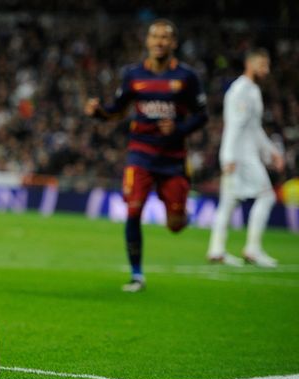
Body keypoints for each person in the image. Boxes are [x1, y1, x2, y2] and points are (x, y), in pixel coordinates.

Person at [84, 19, 208, 292]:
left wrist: (179, 129)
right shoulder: (134, 74)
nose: (159, 42)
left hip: (173, 158)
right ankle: (137, 274)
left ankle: (180, 210)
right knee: (133, 210)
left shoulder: (186, 77)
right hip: (140, 153)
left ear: (173, 43)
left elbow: (202, 115)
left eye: (165, 37)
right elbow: (117, 109)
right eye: (155, 36)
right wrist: (99, 112)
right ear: (148, 41)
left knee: (175, 225)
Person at [206, 49, 285, 267]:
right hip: (240, 157)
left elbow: (254, 128)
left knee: (228, 202)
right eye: (262, 65)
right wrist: (229, 156)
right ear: (250, 64)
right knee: (267, 196)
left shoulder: (252, 90)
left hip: (241, 155)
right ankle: (252, 248)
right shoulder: (241, 90)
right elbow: (235, 125)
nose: (266, 70)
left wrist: (272, 151)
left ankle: (217, 250)